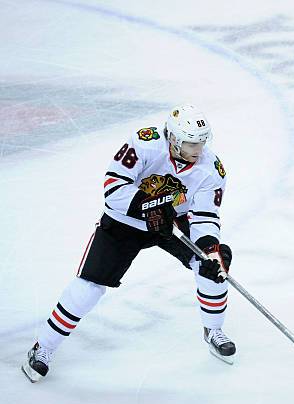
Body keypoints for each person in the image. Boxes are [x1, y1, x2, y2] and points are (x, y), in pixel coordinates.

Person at [22, 104, 235, 383]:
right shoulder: (144, 143)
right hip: (125, 222)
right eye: (190, 143)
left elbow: (206, 216)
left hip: (172, 221)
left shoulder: (212, 169)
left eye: (202, 142)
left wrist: (210, 250)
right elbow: (113, 189)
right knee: (88, 287)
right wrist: (147, 207)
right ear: (172, 138)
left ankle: (213, 330)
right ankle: (43, 348)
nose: (198, 149)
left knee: (212, 267)